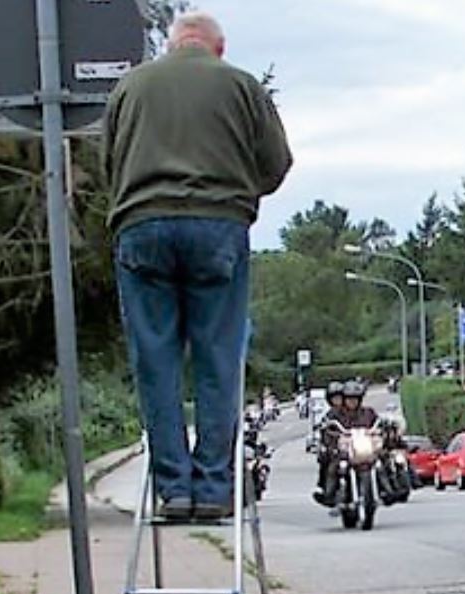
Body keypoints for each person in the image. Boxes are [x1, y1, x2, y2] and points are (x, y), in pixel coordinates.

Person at [104, 12, 293, 521]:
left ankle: (173, 488)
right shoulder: (242, 85)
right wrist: (236, 191)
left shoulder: (129, 86)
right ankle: (212, 487)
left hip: (142, 226)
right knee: (217, 357)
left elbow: (110, 162)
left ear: (171, 45)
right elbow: (276, 164)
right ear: (219, 47)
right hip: (217, 229)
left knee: (156, 361)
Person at [313, 380, 378, 507]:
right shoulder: (335, 414)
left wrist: (384, 425)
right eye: (349, 399)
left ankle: (389, 489)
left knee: (382, 460)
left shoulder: (368, 413)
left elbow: (378, 422)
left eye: (355, 399)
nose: (352, 402)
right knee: (334, 466)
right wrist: (328, 431)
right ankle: (329, 495)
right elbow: (326, 428)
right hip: (344, 451)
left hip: (364, 449)